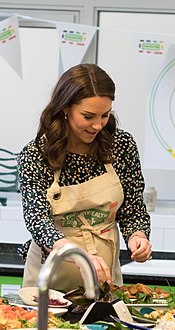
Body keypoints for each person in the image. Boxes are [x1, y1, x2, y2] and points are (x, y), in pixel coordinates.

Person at [19, 64, 152, 291]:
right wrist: (78, 255)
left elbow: (132, 210)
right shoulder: (36, 154)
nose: (98, 125)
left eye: (105, 115)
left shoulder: (121, 146)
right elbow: (37, 220)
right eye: (88, 116)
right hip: (48, 281)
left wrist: (137, 236)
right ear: (65, 108)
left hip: (105, 279)